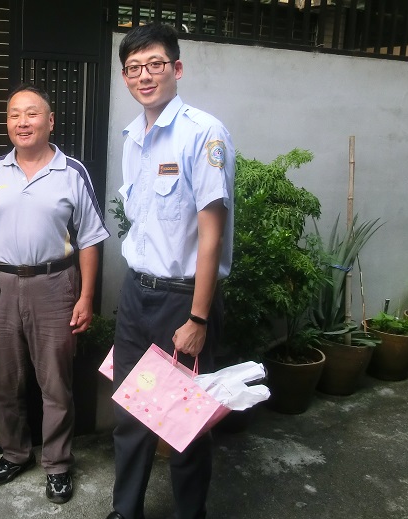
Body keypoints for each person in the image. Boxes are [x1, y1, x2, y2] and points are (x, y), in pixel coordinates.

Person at [105, 23, 236, 519]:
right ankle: (126, 510)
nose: (145, 75)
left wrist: (199, 318)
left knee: (184, 425)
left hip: (184, 302)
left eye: (156, 64)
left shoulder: (204, 133)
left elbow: (211, 233)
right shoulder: (132, 137)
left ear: (176, 69)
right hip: (138, 296)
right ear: (125, 76)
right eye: (135, 68)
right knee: (131, 414)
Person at [0, 84, 110, 505]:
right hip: (0, 285)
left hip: (54, 285)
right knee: (5, 380)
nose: (22, 122)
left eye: (31, 114)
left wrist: (85, 297)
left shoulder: (72, 172)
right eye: (14, 114)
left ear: (50, 121)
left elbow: (91, 240)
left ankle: (58, 463)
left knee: (55, 382)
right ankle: (14, 453)